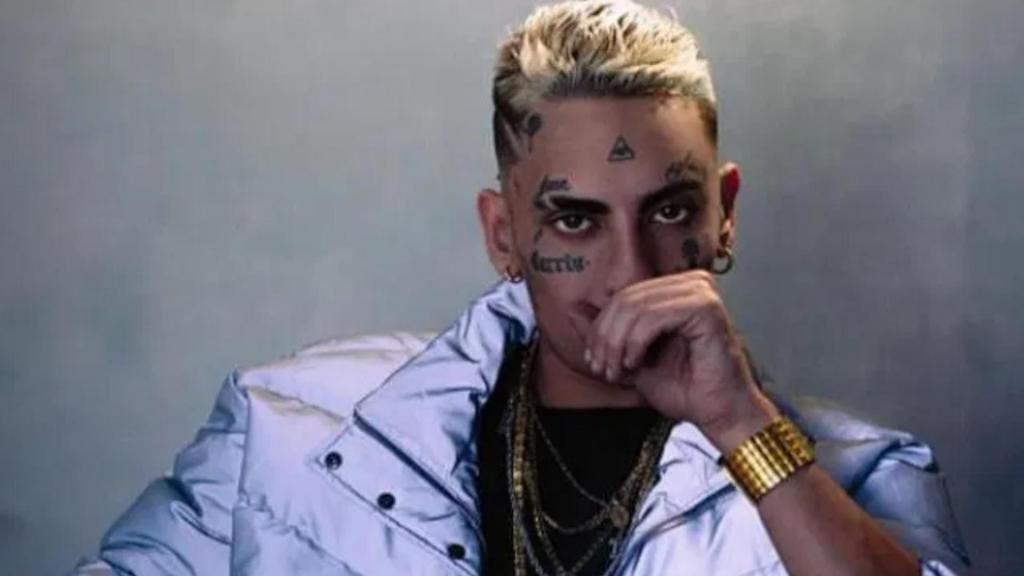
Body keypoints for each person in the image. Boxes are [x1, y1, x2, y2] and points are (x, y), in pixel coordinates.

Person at [70, 1, 969, 575]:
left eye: (667, 210)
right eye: (576, 220)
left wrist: (743, 427)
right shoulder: (286, 429)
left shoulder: (862, 474)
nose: (630, 270)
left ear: (724, 213)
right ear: (504, 233)